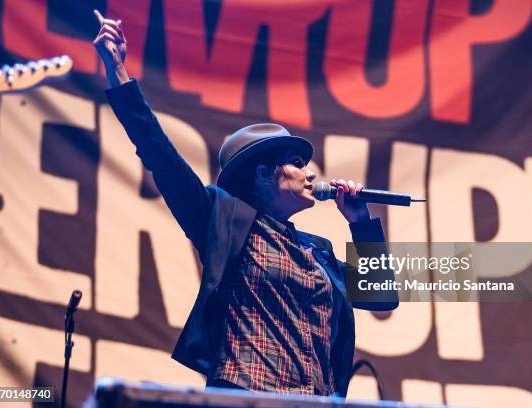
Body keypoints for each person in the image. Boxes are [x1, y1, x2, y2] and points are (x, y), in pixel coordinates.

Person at [93, 10, 398, 397]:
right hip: (247, 396)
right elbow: (161, 158)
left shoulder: (317, 252)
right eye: (296, 164)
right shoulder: (224, 223)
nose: (309, 173)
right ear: (263, 174)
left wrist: (360, 221)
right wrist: (119, 74)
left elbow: (380, 296)